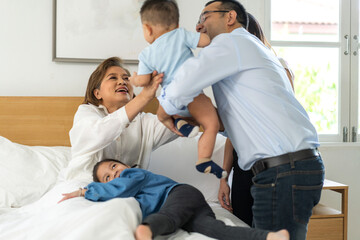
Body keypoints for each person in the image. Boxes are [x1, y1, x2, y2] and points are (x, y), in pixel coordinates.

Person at [156, 1, 325, 239]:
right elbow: (234, 123)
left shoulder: (231, 41)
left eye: (204, 17)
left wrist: (163, 110)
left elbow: (181, 84)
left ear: (230, 17)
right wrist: (201, 118)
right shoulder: (253, 50)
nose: (198, 26)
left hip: (283, 171)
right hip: (294, 168)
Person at [59, 158, 289, 240]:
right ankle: (270, 236)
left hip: (180, 194)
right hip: (190, 208)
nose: (115, 174)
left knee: (167, 216)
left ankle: (146, 230)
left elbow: (122, 186)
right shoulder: (127, 189)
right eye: (107, 177)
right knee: (216, 229)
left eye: (114, 166)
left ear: (125, 165)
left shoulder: (134, 174)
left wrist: (85, 191)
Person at [129, 0, 226, 179]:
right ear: (177, 24)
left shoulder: (146, 54)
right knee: (211, 124)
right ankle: (204, 158)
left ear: (148, 29)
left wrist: (134, 79)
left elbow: (143, 80)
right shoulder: (180, 34)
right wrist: (206, 31)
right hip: (192, 93)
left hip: (169, 99)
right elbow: (205, 41)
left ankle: (180, 122)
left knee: (167, 111)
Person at [217, 12, 296, 227]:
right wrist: (224, 178)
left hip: (273, 162)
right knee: (245, 227)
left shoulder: (278, 67)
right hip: (244, 166)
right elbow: (234, 132)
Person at [63, 57, 177, 181]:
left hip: (129, 192)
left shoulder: (143, 122)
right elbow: (100, 134)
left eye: (126, 78)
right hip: (83, 188)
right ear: (97, 93)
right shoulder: (86, 113)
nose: (122, 82)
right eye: (113, 78)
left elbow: (176, 121)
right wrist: (144, 97)